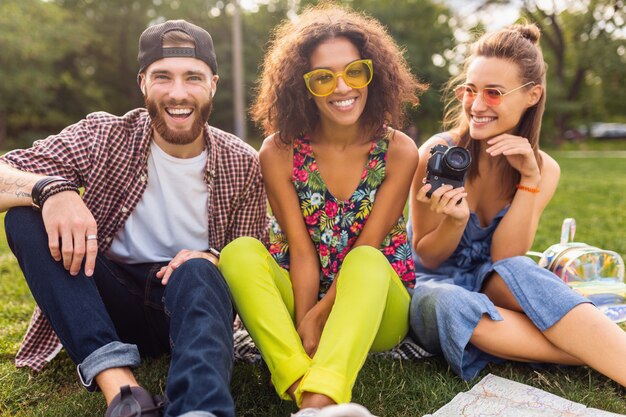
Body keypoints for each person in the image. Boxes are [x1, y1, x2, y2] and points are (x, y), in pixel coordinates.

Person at [0, 19, 268, 417]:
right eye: (163, 76)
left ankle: (199, 408)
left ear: (213, 83)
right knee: (26, 216)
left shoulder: (242, 162)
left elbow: (249, 263)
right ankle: (124, 391)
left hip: (190, 305)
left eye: (192, 77)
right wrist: (50, 190)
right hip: (107, 302)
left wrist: (213, 259)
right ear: (143, 81)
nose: (178, 93)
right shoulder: (103, 135)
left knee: (199, 270)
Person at [218, 5, 425, 417]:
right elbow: (301, 250)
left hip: (377, 308)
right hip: (302, 289)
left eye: (354, 71)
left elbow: (367, 247)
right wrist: (304, 319)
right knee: (238, 252)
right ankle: (302, 386)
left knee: (366, 257)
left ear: (374, 74)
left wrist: (319, 317)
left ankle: (320, 398)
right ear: (302, 85)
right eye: (323, 77)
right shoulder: (279, 151)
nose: (341, 87)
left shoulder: (399, 151)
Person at [407, 23, 626, 387]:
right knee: (452, 303)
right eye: (470, 90)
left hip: (495, 281)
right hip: (433, 283)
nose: (476, 105)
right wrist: (454, 221)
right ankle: (595, 345)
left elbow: (506, 258)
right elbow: (427, 258)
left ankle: (607, 352)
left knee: (525, 273)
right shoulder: (436, 154)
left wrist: (529, 181)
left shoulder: (544, 169)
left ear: (532, 95)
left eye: (493, 93)